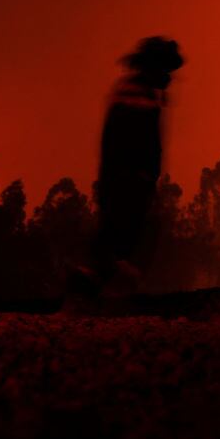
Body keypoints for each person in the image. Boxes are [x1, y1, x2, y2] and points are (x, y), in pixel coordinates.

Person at [69, 36, 184, 304]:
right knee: (124, 241)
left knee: (118, 240)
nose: (169, 76)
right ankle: (91, 301)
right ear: (153, 67)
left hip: (124, 179)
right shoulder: (136, 95)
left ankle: (93, 300)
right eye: (165, 69)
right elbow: (134, 142)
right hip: (128, 181)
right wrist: (140, 177)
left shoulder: (136, 92)